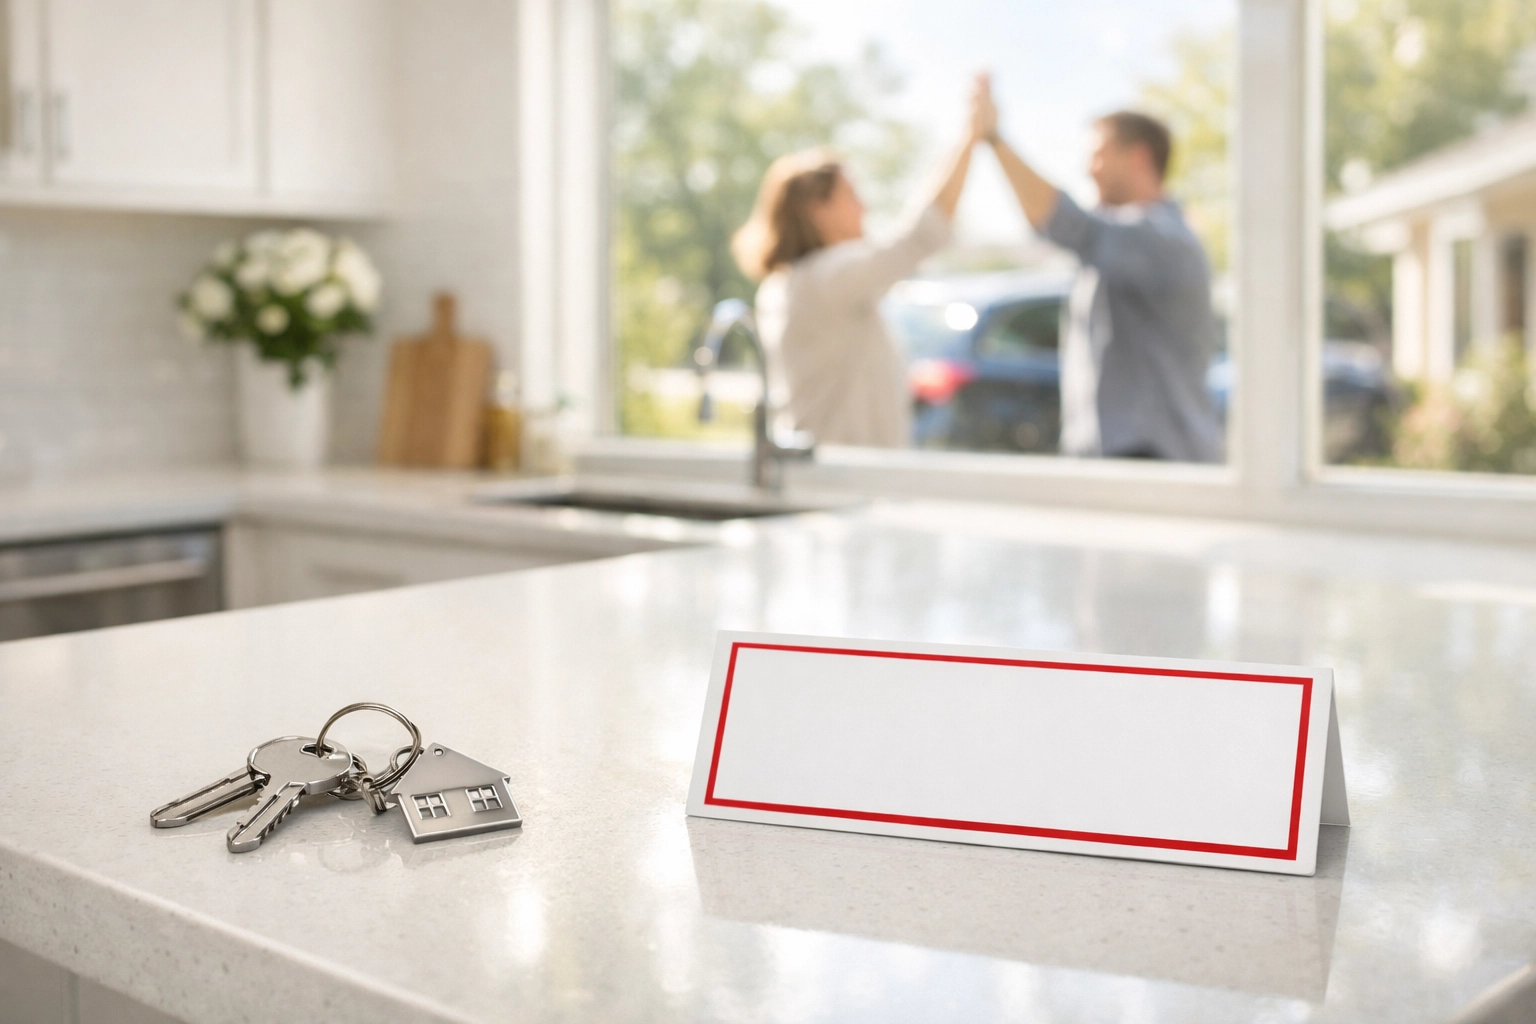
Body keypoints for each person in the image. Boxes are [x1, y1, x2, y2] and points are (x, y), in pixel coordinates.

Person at [974, 77, 1223, 462]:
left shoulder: (1162, 240)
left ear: (1138, 157)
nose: (1088, 169)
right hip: (1122, 460)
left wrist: (994, 139)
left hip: (1155, 464)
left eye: (1098, 154)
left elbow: (1066, 224)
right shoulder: (1128, 241)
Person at [731, 83, 988, 447]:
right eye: (851, 195)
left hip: (827, 472)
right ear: (817, 211)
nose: (864, 207)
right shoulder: (828, 277)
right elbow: (916, 236)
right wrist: (971, 136)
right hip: (846, 480)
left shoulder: (788, 282)